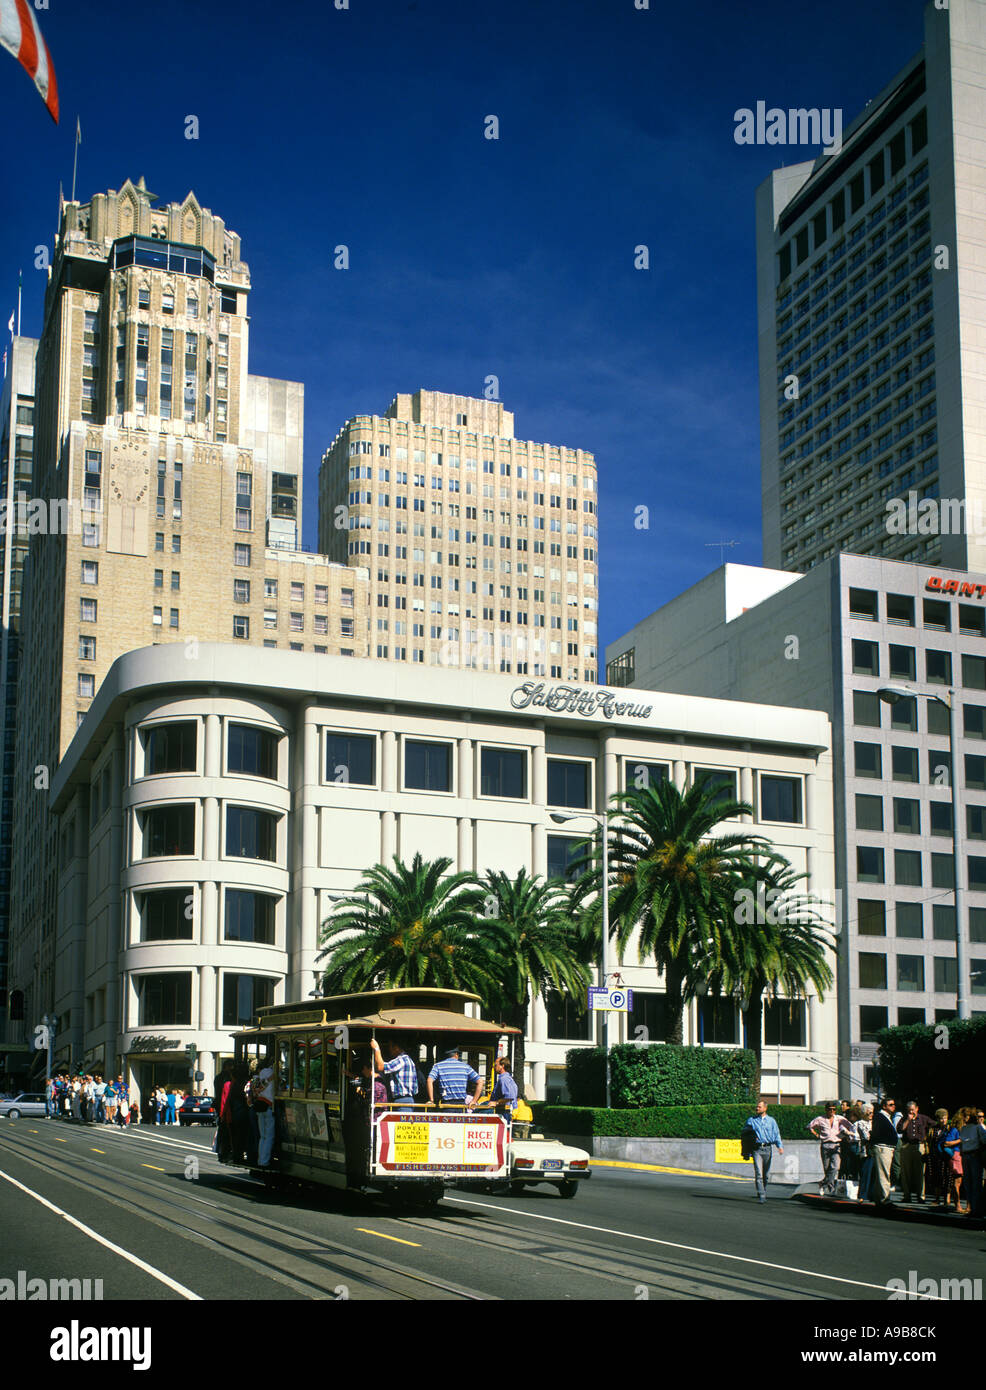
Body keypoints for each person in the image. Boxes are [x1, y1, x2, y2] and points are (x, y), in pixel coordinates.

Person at [742, 1098, 785, 1204]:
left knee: (766, 1175)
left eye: (759, 1107)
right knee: (759, 1173)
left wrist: (779, 1146)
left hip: (768, 1149)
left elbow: (776, 1134)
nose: (757, 1108)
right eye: (757, 1106)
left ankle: (763, 1189)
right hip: (756, 1149)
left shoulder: (771, 1121)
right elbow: (744, 1133)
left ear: (765, 1108)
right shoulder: (751, 1120)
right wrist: (750, 1137)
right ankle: (762, 1194)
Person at [808, 1101, 855, 1195]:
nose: (832, 1111)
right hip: (825, 1144)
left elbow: (851, 1126)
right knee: (827, 1168)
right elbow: (810, 1126)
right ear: (826, 1110)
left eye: (834, 1109)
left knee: (835, 1167)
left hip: (836, 1144)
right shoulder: (820, 1119)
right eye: (830, 1109)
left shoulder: (839, 1118)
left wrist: (847, 1135)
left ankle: (823, 1183)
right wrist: (817, 1134)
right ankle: (831, 1188)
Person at [898, 1099, 934, 1204]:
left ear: (917, 1109)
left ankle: (920, 1196)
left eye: (913, 1110)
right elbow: (900, 1130)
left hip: (919, 1146)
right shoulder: (904, 1118)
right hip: (907, 1146)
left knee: (920, 1173)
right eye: (909, 1110)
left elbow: (934, 1125)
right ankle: (907, 1195)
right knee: (906, 1172)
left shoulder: (923, 1118)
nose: (911, 1112)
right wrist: (908, 1120)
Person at [869, 1097, 902, 1208]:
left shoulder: (887, 1117)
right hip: (883, 1148)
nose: (893, 1106)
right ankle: (885, 1199)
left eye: (893, 1104)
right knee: (884, 1174)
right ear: (884, 1106)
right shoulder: (879, 1116)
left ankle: (879, 1199)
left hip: (887, 1148)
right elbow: (876, 1133)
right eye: (890, 1104)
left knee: (882, 1174)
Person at [370, 1036, 419, 1109]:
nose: (389, 1049)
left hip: (402, 1101)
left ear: (396, 1048)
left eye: (390, 1046)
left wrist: (376, 1048)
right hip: (407, 1100)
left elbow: (380, 1067)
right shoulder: (408, 1060)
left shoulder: (401, 1060)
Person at [957, 1106, 986, 1218]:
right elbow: (962, 1143)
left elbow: (984, 1140)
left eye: (967, 1116)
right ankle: (972, 1208)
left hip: (974, 1155)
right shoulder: (963, 1129)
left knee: (976, 1182)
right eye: (964, 1116)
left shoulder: (978, 1127)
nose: (964, 1118)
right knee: (968, 1183)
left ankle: (977, 1209)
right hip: (965, 1156)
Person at [252, 1057, 276, 1169]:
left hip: (259, 1106)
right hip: (269, 1106)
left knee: (263, 1136)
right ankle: (264, 1161)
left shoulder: (257, 1076)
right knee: (269, 1136)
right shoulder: (272, 1073)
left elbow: (255, 1091)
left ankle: (260, 1159)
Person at [855, 1104, 874, 1201]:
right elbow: (866, 1136)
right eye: (869, 1112)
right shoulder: (860, 1123)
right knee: (865, 1173)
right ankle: (863, 1195)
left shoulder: (874, 1122)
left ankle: (872, 1194)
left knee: (874, 1174)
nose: (871, 1114)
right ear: (864, 1113)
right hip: (866, 1151)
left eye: (872, 1112)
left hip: (875, 1151)